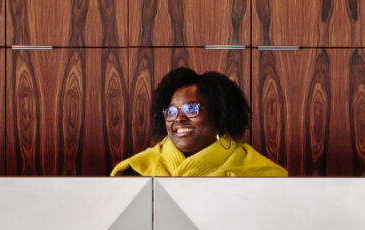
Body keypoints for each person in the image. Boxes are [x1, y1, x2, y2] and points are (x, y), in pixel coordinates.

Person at [112, 67, 286, 177]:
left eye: (191, 109)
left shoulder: (261, 174)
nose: (179, 118)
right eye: (172, 111)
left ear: (219, 114)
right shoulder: (136, 170)